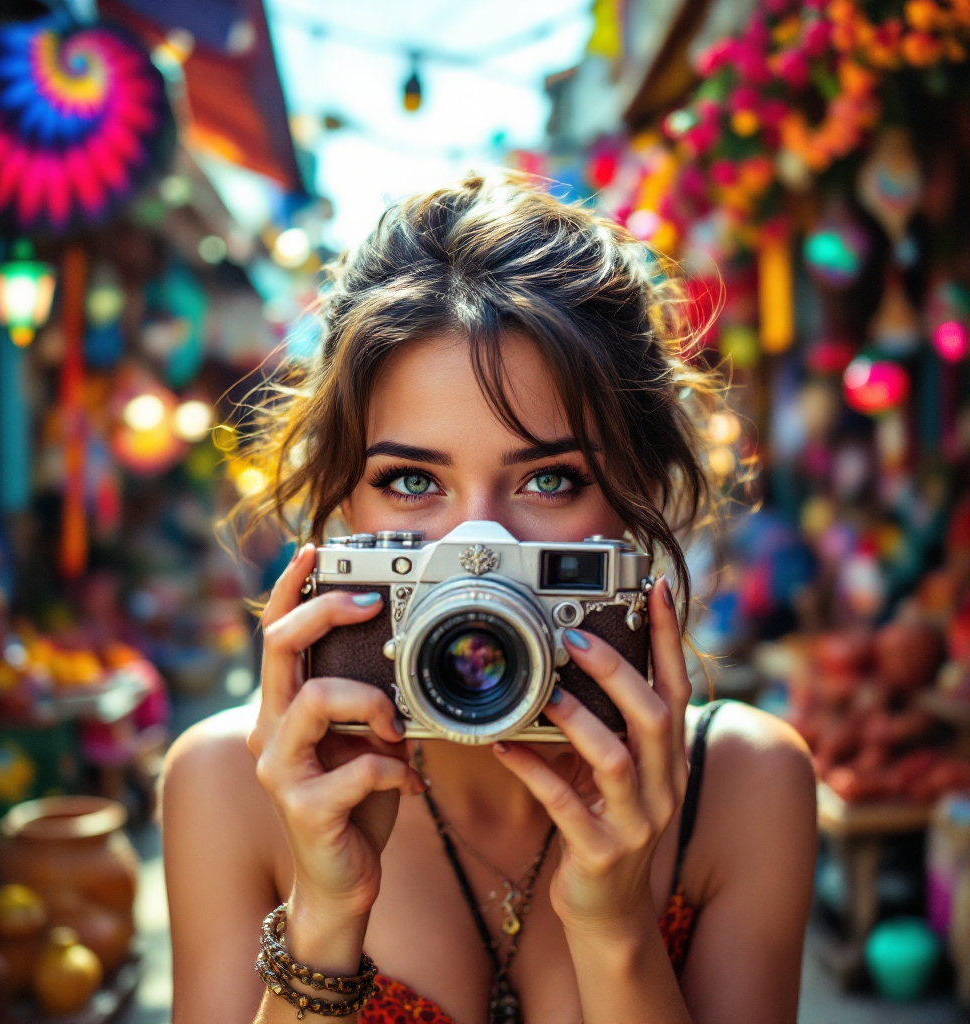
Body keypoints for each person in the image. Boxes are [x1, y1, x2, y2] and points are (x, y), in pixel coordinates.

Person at [162, 173, 817, 1024]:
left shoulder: (741, 788)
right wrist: (323, 916)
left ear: (635, 496)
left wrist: (615, 927)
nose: (479, 551)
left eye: (549, 480)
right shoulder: (232, 785)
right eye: (409, 481)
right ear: (345, 510)